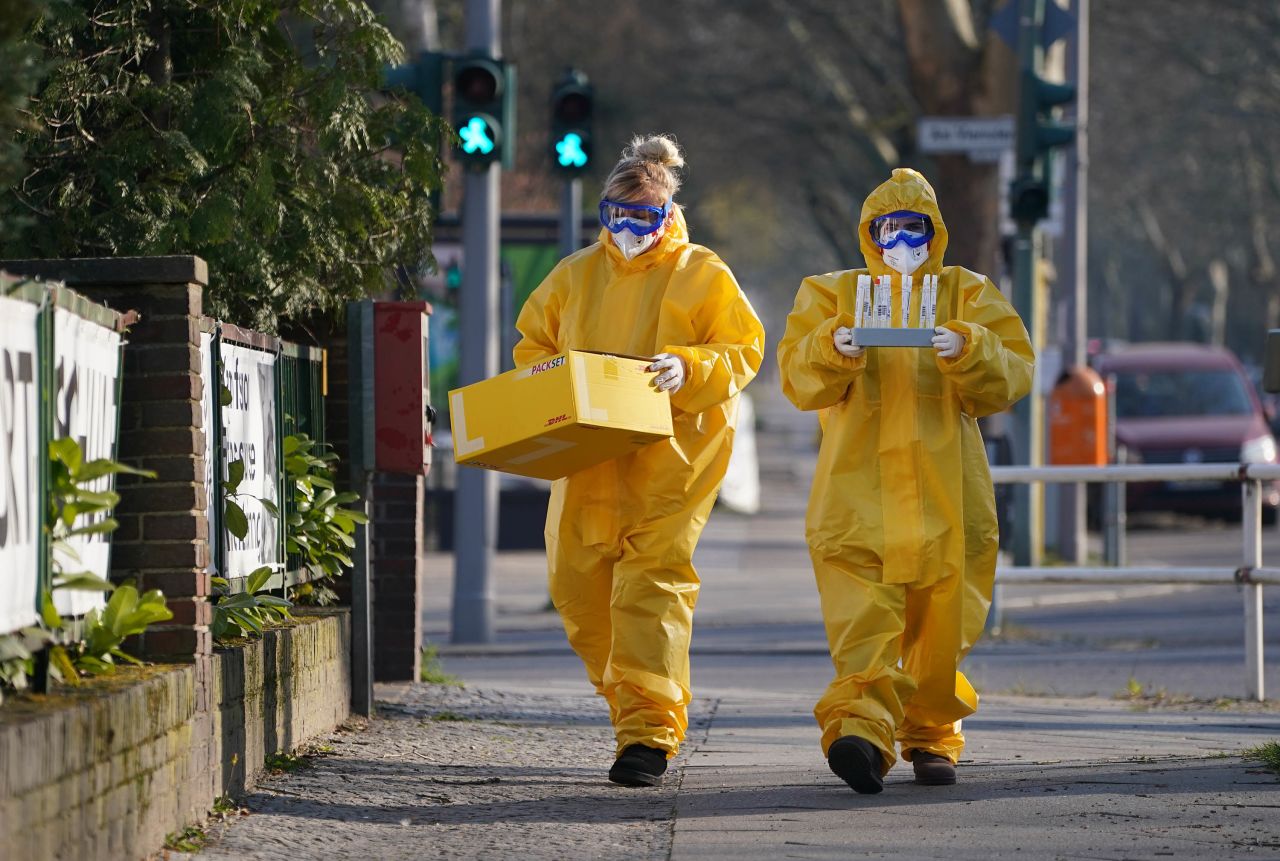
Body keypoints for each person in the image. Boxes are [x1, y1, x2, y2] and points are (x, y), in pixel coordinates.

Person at [514, 134, 765, 787]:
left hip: (670, 461)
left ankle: (648, 734)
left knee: (649, 590)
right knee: (578, 588)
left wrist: (689, 365)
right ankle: (632, 705)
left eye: (643, 218)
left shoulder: (701, 273)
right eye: (616, 217)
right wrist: (552, 385)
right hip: (590, 460)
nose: (628, 230)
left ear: (668, 212)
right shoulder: (574, 275)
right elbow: (532, 344)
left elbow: (741, 348)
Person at [776, 168, 1033, 794]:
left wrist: (969, 348)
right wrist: (829, 348)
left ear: (934, 232)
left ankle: (930, 735)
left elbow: (1013, 377)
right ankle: (859, 734)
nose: (900, 239)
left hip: (948, 499)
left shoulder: (966, 295)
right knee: (863, 626)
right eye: (888, 228)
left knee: (941, 633)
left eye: (913, 227)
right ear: (868, 235)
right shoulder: (831, 295)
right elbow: (796, 379)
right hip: (857, 501)